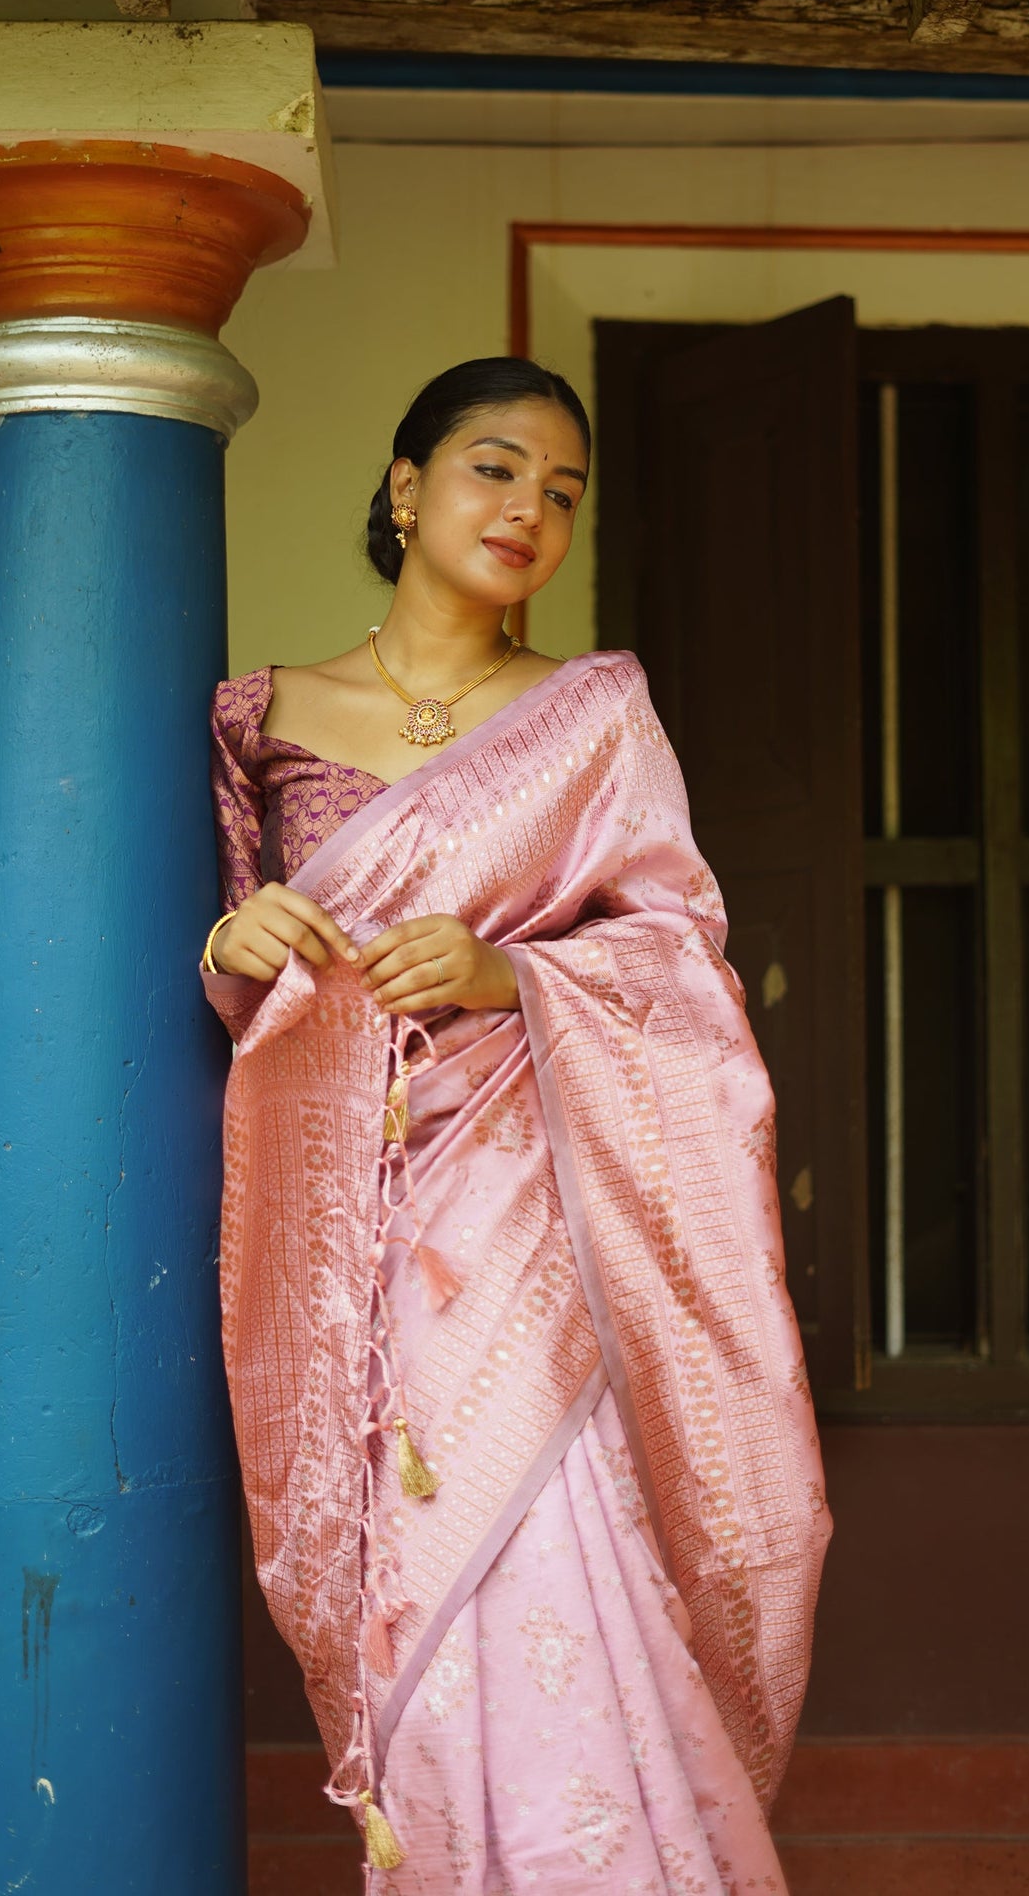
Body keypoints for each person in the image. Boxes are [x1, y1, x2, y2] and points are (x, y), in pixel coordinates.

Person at [201, 357, 830, 1891]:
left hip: (533, 1215)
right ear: (406, 489)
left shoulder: (590, 714)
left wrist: (509, 973)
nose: (528, 512)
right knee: (407, 1564)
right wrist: (229, 949)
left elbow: (682, 952)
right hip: (345, 1217)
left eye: (561, 493)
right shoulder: (261, 713)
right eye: (493, 469)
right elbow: (229, 948)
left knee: (555, 1540)